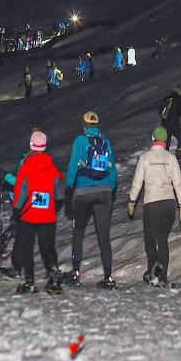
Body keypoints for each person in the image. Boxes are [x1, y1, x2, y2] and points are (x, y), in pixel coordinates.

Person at [64, 111, 118, 290]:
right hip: (104, 193)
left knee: (78, 232)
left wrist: (69, 190)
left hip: (83, 193)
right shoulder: (106, 142)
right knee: (104, 236)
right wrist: (110, 190)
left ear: (83, 124)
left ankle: (75, 273)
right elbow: (112, 170)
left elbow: (73, 165)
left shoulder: (80, 141)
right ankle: (108, 277)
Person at [128, 126, 181, 287]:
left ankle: (152, 272)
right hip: (169, 204)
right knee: (162, 240)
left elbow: (137, 182)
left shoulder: (145, 158)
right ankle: (162, 278)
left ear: (153, 139)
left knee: (150, 240)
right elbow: (178, 183)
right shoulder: (171, 158)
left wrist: (132, 200)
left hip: (152, 204)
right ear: (165, 140)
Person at [11, 130, 64, 294]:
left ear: (31, 145)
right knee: (48, 247)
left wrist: (16, 210)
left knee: (27, 247)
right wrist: (55, 205)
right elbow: (59, 193)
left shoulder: (26, 165)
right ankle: (53, 272)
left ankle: (29, 281)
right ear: (45, 146)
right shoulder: (52, 167)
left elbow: (20, 191)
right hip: (48, 216)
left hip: (28, 215)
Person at [159, 85, 181, 159]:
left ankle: (164, 159)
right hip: (174, 123)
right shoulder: (179, 99)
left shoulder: (167, 98)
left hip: (165, 124)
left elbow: (160, 112)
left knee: (167, 142)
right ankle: (178, 157)